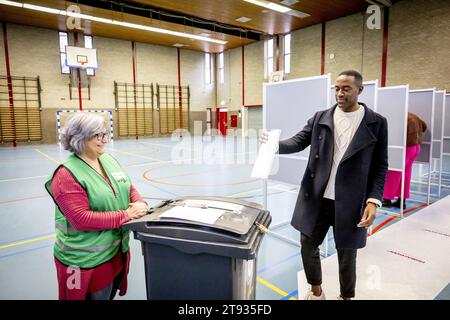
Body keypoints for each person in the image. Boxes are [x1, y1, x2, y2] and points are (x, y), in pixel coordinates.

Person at [261, 70, 388, 300]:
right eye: (337, 88)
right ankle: (317, 291)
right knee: (307, 244)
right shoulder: (321, 117)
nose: (340, 93)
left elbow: (380, 165)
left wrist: (373, 200)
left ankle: (346, 296)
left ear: (359, 90)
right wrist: (273, 145)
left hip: (351, 200)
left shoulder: (377, 123)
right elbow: (298, 141)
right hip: (317, 197)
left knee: (346, 253)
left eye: (346, 88)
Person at [45, 113, 148, 300]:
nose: (105, 140)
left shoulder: (107, 159)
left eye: (105, 134)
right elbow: (81, 219)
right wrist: (127, 214)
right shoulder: (66, 175)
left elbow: (127, 186)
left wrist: (139, 202)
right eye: (98, 135)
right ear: (80, 137)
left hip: (114, 254)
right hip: (82, 263)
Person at [382, 112, 427, 209]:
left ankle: (386, 199)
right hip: (415, 147)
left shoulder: (400, 116)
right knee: (406, 173)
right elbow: (424, 126)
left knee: (393, 172)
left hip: (405, 147)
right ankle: (401, 201)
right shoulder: (412, 115)